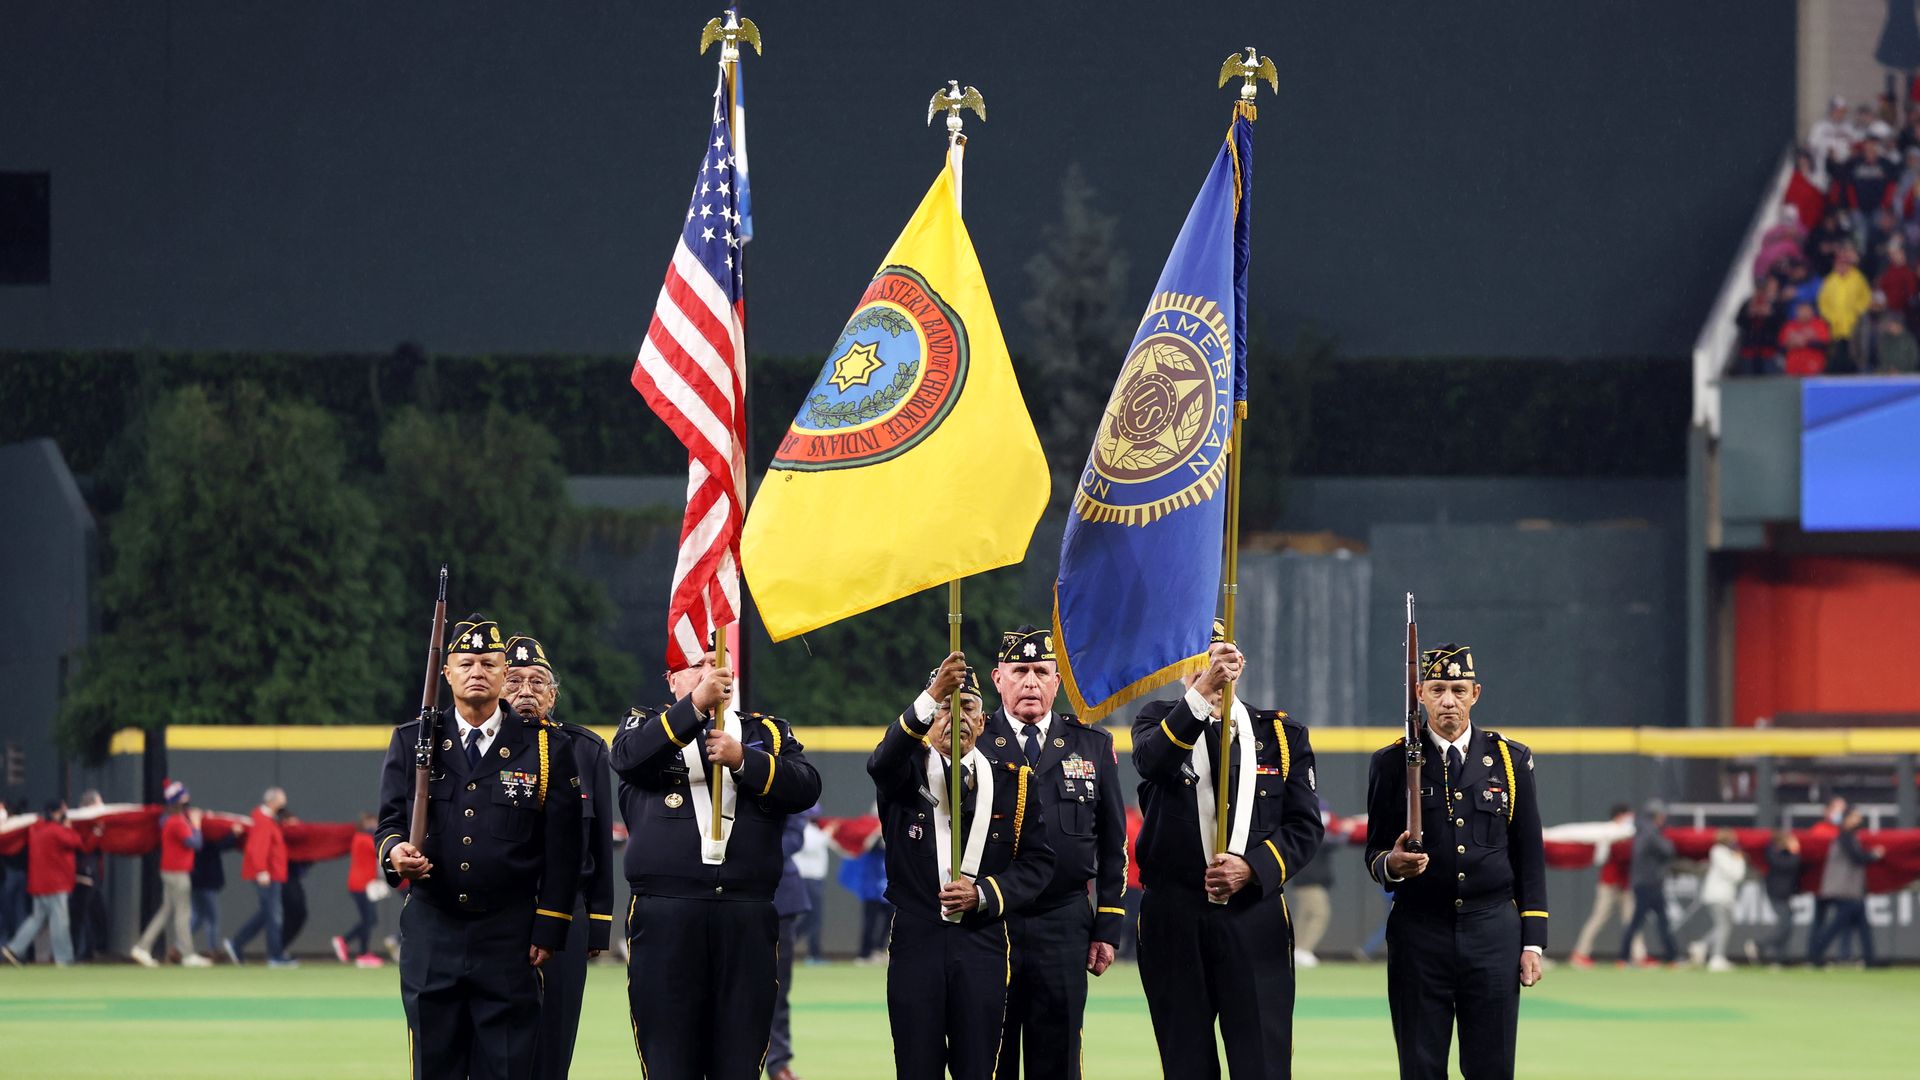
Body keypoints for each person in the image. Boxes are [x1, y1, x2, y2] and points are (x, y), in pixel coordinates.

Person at [376, 615, 583, 1080]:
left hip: (509, 936)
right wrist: (395, 853)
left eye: (489, 664)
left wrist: (550, 926)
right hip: (433, 930)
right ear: (446, 672)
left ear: (503, 673)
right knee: (435, 1065)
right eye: (466, 663)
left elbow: (565, 846)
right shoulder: (413, 740)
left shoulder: (545, 747)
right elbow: (389, 822)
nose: (477, 672)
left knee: (507, 1066)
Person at [613, 633, 821, 1080]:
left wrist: (744, 759)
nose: (710, 671)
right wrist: (694, 708)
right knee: (668, 1058)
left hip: (746, 911)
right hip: (667, 911)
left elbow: (806, 787)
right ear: (671, 680)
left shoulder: (767, 732)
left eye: (718, 661)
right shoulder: (644, 723)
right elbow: (628, 760)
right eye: (696, 664)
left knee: (740, 1058)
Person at [1134, 624, 1323, 1079]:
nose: (1214, 670)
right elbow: (1153, 763)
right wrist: (1200, 696)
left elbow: (1304, 827)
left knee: (1262, 1060)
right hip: (1174, 913)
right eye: (1200, 662)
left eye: (1222, 659)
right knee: (1185, 1062)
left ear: (1241, 664)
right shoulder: (1157, 721)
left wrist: (1252, 868)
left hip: (1252, 913)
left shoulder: (1280, 735)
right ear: (1181, 669)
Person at [1363, 643, 1546, 1080]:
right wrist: (1393, 864)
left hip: (1493, 931)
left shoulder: (1510, 760)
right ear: (1420, 694)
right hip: (1419, 932)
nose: (1449, 700)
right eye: (1438, 689)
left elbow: (1529, 854)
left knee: (1492, 1066)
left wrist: (1533, 942)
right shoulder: (1392, 763)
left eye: (1459, 690)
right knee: (1420, 1066)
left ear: (1475, 694)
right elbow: (1374, 853)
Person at [870, 653, 1054, 1080]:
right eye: (944, 708)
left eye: (967, 706)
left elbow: (1038, 862)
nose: (956, 718)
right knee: (916, 1066)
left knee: (980, 1067)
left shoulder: (1014, 781)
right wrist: (932, 693)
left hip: (982, 940)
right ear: (927, 719)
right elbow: (881, 761)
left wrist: (984, 893)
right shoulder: (905, 772)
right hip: (917, 937)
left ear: (984, 721)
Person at [984, 625, 1127, 1079]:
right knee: (988, 1055)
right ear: (998, 678)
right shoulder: (972, 740)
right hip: (990, 921)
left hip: (1064, 921)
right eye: (1020, 671)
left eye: (1042, 672)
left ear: (1057, 681)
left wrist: (1108, 924)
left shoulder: (1092, 744)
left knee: (1060, 1055)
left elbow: (1114, 843)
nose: (1031, 682)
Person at [504, 635, 616, 1080]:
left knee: (554, 1044)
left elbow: (599, 843)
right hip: (497, 913)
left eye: (537, 682)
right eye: (513, 680)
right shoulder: (475, 748)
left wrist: (599, 922)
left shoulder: (584, 749)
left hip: (567, 918)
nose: (525, 691)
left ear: (553, 695)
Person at [1, 800, 96, 967]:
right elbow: (77, 842)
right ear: (54, 813)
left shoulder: (35, 829)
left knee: (36, 919)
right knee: (60, 922)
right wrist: (70, 828)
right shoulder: (57, 831)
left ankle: (14, 948)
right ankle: (64, 959)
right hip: (55, 884)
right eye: (62, 812)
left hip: (38, 884)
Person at [132, 780, 209, 968]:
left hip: (170, 871)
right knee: (183, 914)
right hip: (178, 873)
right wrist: (197, 825)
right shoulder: (177, 821)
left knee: (166, 911)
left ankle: (142, 947)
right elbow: (195, 843)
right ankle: (188, 955)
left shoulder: (169, 819)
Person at [767, 808, 816, 1080]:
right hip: (720, 896)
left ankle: (778, 1063)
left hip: (778, 898)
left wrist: (748, 853)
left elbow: (794, 837)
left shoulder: (786, 782)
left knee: (777, 988)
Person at [1808, 809, 1886, 968]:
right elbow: (1857, 857)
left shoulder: (1850, 838)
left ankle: (1870, 959)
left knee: (1863, 926)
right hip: (1842, 890)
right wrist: (1874, 855)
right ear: (1847, 819)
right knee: (1837, 925)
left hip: (1852, 891)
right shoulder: (1844, 837)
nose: (1859, 820)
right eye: (1855, 817)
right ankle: (1815, 954)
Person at [225, 787, 294, 967]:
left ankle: (237, 943)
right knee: (274, 915)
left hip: (272, 873)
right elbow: (258, 848)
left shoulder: (267, 819)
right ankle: (275, 956)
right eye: (281, 801)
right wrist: (262, 870)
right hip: (268, 874)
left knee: (267, 914)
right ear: (272, 801)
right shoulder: (263, 820)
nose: (284, 805)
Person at [1569, 803, 1637, 967]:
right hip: (1609, 883)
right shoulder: (1609, 832)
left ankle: (1638, 956)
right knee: (1599, 917)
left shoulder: (1629, 832)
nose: (1631, 818)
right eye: (1627, 815)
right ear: (1619, 816)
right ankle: (1580, 953)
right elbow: (1602, 857)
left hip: (1625, 883)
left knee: (1632, 919)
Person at [1617, 799, 1678, 967]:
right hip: (1649, 884)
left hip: (1644, 883)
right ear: (1656, 816)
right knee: (1652, 922)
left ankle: (1624, 957)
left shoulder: (1642, 830)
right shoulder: (1650, 832)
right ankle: (1671, 957)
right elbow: (1668, 850)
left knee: (1647, 922)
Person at [1691, 829, 1746, 973]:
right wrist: (1739, 859)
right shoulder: (1719, 852)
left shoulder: (1724, 853)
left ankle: (1701, 946)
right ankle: (1716, 958)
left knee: (1724, 926)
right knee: (1723, 926)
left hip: (1722, 896)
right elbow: (1736, 875)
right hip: (1718, 896)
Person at [1289, 798, 1335, 968]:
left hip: (1307, 883)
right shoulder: (1311, 830)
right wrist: (1346, 829)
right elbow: (1332, 841)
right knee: (1319, 914)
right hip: (1309, 883)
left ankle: (1298, 950)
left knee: (1304, 916)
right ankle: (1303, 950)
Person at [333, 812, 384, 966]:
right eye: (370, 823)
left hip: (366, 885)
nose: (374, 826)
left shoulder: (364, 838)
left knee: (370, 919)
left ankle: (350, 944)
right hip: (361, 885)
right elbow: (379, 849)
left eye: (375, 823)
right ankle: (360, 951)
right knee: (368, 919)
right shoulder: (361, 839)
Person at [68, 790, 111, 963]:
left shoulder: (91, 823)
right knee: (84, 914)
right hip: (84, 874)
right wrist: (97, 833)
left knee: (93, 913)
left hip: (93, 873)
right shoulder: (81, 825)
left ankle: (92, 949)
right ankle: (84, 950)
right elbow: (85, 848)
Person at [190, 819, 242, 959]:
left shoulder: (195, 837)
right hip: (206, 883)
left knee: (198, 916)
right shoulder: (202, 839)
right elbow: (218, 847)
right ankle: (213, 949)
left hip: (197, 882)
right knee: (212, 918)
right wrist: (233, 835)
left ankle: (179, 947)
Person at [1755, 828, 1803, 965]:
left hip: (1785, 893)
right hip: (1777, 893)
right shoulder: (1772, 852)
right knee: (1784, 925)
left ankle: (1781, 957)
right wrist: (1795, 852)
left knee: (1787, 926)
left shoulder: (1782, 853)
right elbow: (1789, 865)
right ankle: (1761, 945)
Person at [1819, 243, 1874, 361]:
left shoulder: (1858, 278)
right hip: (1835, 325)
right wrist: (1830, 317)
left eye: (1844, 264)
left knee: (1856, 354)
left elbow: (1866, 297)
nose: (1842, 267)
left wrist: (1857, 311)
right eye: (1839, 264)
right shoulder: (1830, 281)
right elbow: (1823, 302)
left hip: (1854, 324)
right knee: (1837, 354)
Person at [794, 808, 831, 964]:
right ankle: (814, 954)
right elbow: (810, 846)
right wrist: (828, 834)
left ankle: (791, 941)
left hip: (811, 879)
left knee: (811, 917)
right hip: (809, 879)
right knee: (814, 917)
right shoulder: (806, 830)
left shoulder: (812, 830)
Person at [1779, 301, 1833, 376]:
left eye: (1806, 310)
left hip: (1814, 367)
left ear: (1812, 311)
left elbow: (1825, 344)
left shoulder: (1819, 324)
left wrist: (1806, 342)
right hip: (1792, 369)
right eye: (1801, 310)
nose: (1804, 313)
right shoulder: (1789, 325)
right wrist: (1792, 343)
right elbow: (1781, 346)